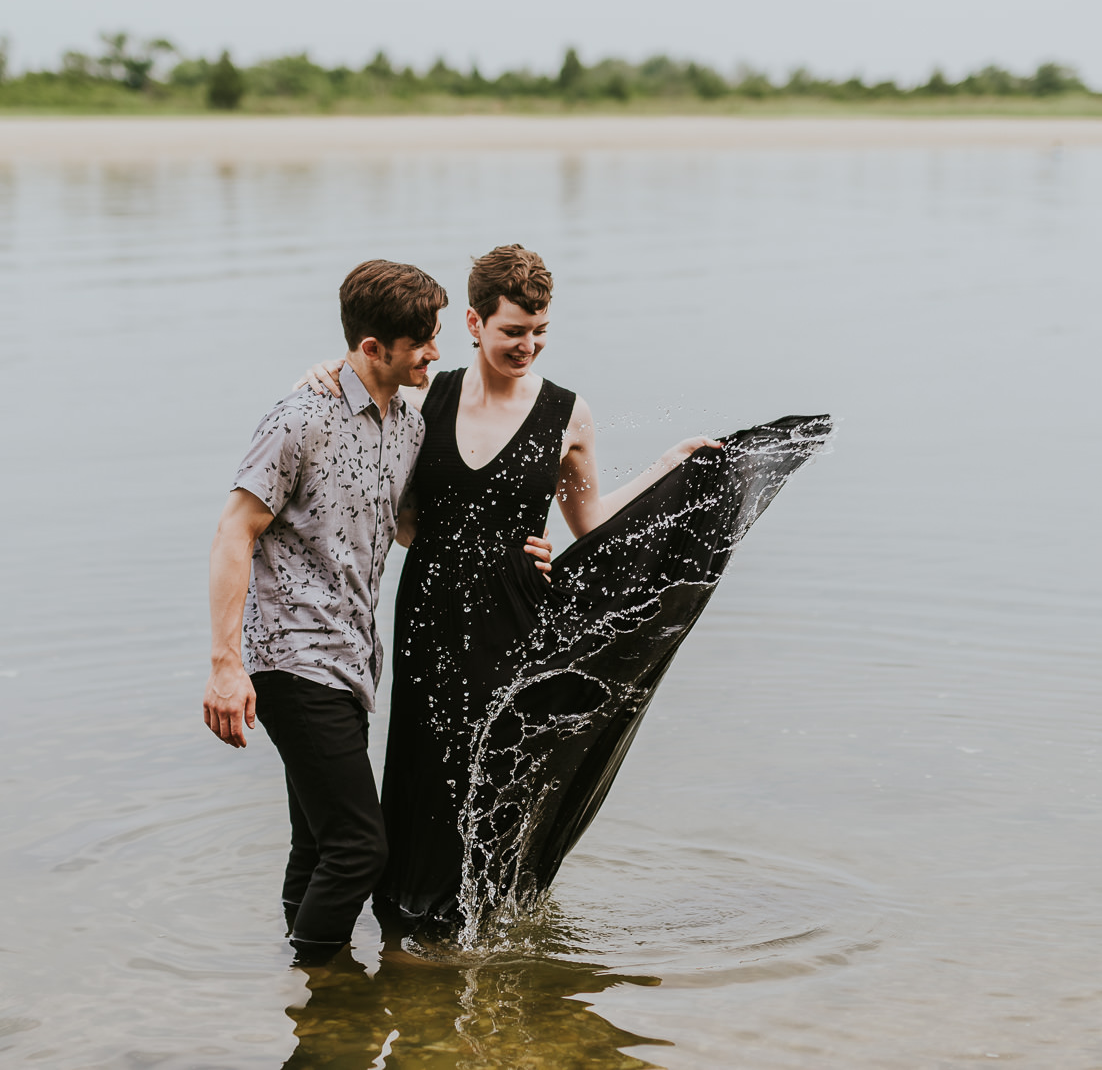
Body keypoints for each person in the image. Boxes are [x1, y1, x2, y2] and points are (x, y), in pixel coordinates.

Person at [300, 244, 719, 929]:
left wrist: (666, 468)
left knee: (499, 770)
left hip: (517, 617)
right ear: (473, 322)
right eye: (512, 332)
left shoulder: (568, 413)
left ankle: (491, 917)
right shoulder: (424, 393)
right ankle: (414, 918)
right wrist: (322, 370)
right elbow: (395, 503)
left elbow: (590, 521)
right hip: (430, 614)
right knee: (426, 763)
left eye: (540, 332)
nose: (528, 345)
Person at [203, 258, 550, 966]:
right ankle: (328, 992)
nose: (435, 352)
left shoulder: (407, 426)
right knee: (362, 849)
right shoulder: (301, 417)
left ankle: (296, 982)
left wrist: (518, 553)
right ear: (371, 349)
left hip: (354, 664)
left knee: (321, 844)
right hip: (293, 663)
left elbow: (413, 527)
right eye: (422, 342)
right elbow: (234, 531)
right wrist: (225, 666)